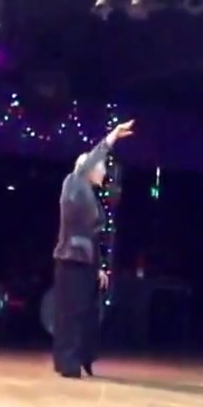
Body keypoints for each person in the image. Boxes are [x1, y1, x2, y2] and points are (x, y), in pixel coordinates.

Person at [52, 119, 136, 379]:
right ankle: (68, 362)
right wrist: (113, 136)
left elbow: (93, 236)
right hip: (71, 260)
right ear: (86, 169)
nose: (103, 171)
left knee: (90, 313)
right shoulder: (73, 183)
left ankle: (85, 357)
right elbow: (93, 158)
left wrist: (99, 267)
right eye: (99, 167)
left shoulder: (91, 197)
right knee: (71, 312)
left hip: (86, 261)